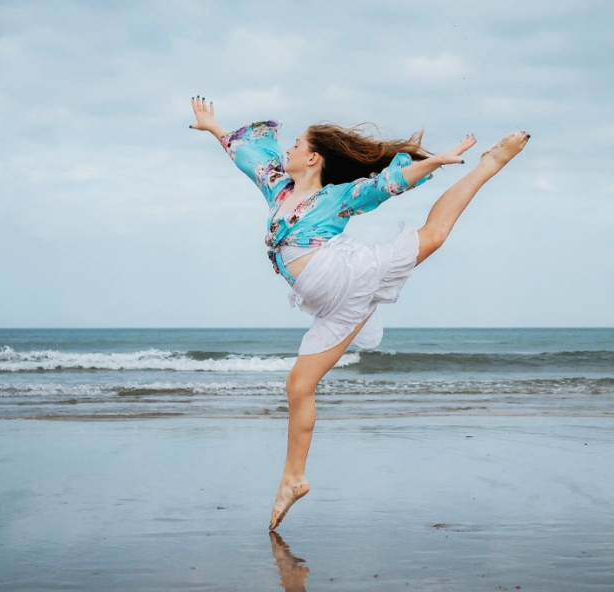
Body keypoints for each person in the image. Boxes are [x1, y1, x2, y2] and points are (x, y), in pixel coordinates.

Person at [189, 96, 529, 530]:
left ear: (312, 157)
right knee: (297, 387)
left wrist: (437, 161)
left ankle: (488, 165)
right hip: (329, 309)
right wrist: (215, 127)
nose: (286, 149)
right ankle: (293, 478)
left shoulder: (338, 197)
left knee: (434, 236)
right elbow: (246, 156)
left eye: (295, 144)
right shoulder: (276, 187)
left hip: (350, 275)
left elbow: (388, 184)